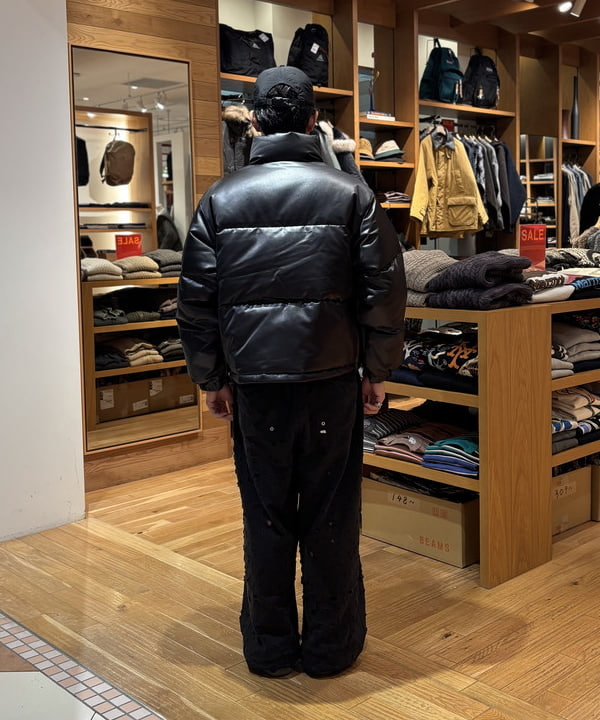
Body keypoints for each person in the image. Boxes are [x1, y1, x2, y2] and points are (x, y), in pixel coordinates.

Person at [177, 66, 406, 679]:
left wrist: (211, 378)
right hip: (331, 382)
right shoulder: (351, 193)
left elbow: (195, 301)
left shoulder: (220, 199)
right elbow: (385, 293)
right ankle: (331, 649)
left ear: (254, 121)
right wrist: (377, 370)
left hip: (256, 389)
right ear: (313, 120)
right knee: (332, 515)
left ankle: (270, 648)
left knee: (266, 516)